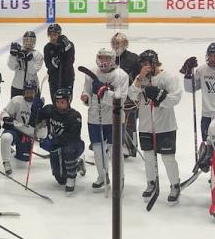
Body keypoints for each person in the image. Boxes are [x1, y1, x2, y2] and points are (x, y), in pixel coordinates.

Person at [128, 50, 183, 204]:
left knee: (167, 158)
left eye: (146, 64)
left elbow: (175, 98)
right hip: (145, 125)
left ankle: (175, 185)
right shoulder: (141, 78)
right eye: (142, 64)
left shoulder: (168, 77)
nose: (144, 67)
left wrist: (160, 98)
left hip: (165, 126)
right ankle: (151, 182)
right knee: (149, 158)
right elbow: (132, 95)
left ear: (154, 63)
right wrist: (139, 79)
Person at [81, 47, 129, 191]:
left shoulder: (121, 75)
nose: (103, 61)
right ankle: (102, 176)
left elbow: (120, 100)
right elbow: (87, 91)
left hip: (114, 118)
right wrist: (86, 97)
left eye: (107, 58)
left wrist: (103, 91)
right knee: (97, 149)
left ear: (113, 60)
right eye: (101, 57)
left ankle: (119, 178)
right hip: (95, 117)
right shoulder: (91, 73)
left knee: (116, 151)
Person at [33, 88, 85, 193]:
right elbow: (35, 121)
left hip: (74, 145)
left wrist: (53, 139)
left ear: (68, 101)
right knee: (61, 179)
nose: (59, 105)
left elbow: (72, 137)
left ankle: (71, 177)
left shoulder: (75, 116)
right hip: (57, 144)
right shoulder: (50, 110)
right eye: (57, 102)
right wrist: (35, 109)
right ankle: (78, 165)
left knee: (68, 150)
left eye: (62, 102)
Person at [111, 33, 141, 159]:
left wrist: (137, 92)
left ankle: (131, 147)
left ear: (125, 44)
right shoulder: (110, 57)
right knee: (113, 119)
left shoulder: (134, 58)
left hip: (130, 95)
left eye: (120, 43)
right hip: (114, 94)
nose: (117, 45)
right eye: (115, 43)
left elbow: (140, 77)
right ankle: (114, 143)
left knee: (129, 121)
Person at [0, 79, 39, 174]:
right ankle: (6, 162)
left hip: (27, 135)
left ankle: (11, 152)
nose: (29, 94)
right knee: (6, 137)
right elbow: (4, 112)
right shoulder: (16, 100)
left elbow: (41, 127)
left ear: (35, 92)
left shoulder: (38, 105)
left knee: (22, 162)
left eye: (31, 92)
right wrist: (6, 118)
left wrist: (37, 134)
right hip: (15, 131)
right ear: (23, 92)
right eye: (27, 92)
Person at [7, 30, 43, 98]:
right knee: (15, 107)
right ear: (23, 41)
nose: (28, 43)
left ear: (34, 42)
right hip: (17, 86)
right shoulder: (19, 52)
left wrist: (28, 60)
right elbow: (11, 66)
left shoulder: (38, 55)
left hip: (32, 87)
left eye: (31, 41)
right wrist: (13, 55)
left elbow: (33, 71)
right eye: (26, 40)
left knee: (33, 108)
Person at [44, 23, 75, 96]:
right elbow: (48, 65)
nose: (52, 37)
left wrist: (68, 48)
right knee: (55, 102)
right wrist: (54, 62)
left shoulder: (68, 45)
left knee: (66, 103)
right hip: (54, 80)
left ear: (59, 34)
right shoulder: (47, 48)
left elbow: (70, 61)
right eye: (50, 35)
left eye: (54, 35)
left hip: (67, 79)